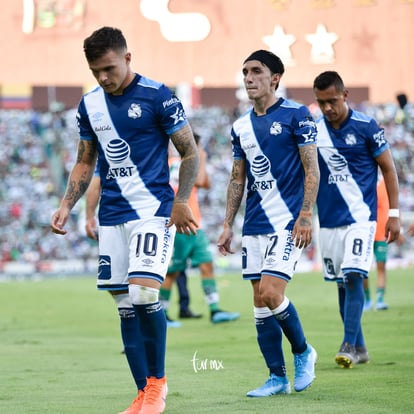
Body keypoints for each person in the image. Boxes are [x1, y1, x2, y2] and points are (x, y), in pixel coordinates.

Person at [50, 26, 200, 414]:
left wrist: (181, 200)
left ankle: (158, 386)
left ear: (127, 58)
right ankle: (142, 391)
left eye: (109, 67)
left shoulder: (158, 96)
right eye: (95, 69)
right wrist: (68, 204)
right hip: (111, 215)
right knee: (123, 306)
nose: (103, 76)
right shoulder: (90, 105)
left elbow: (190, 152)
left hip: (152, 212)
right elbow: (86, 161)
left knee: (145, 294)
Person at [217, 50, 319, 397]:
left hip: (288, 222)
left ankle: (304, 351)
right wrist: (228, 224)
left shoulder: (297, 114)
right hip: (255, 225)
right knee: (259, 303)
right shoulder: (240, 126)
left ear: (275, 78)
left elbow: (311, 168)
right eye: (244, 71)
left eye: (256, 71)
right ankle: (276, 377)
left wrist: (306, 214)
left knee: (272, 293)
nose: (248, 77)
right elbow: (237, 179)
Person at [313, 71, 400, 368]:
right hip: (328, 221)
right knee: (341, 283)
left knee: (353, 276)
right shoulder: (314, 132)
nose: (327, 108)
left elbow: (388, 169)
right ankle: (360, 347)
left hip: (361, 219)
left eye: (332, 101)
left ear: (345, 95)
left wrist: (394, 215)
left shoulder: (366, 126)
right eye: (321, 102)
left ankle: (348, 343)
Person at [160, 133, 240, 325]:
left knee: (206, 265)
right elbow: (201, 180)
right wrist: (201, 158)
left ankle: (214, 310)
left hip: (197, 225)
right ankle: (162, 315)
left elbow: (205, 183)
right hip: (178, 225)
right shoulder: (174, 163)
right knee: (172, 272)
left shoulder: (187, 163)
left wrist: (199, 159)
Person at [363, 176, 390, 311]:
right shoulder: (364, 178)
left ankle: (380, 299)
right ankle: (367, 300)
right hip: (365, 231)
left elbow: (393, 205)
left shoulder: (386, 181)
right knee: (363, 269)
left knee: (381, 265)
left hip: (382, 232)